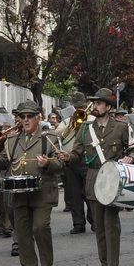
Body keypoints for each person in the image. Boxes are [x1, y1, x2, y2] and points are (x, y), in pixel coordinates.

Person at [0, 99, 62, 266]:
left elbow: (60, 163)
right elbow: (6, 160)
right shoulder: (11, 140)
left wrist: (48, 163)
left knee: (40, 227)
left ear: (38, 118)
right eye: (22, 117)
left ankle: (46, 265)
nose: (26, 120)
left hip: (42, 191)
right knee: (22, 230)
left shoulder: (48, 138)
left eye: (30, 117)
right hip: (19, 193)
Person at [66, 87, 132, 266]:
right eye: (94, 103)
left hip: (113, 178)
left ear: (108, 107)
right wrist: (66, 157)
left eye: (99, 103)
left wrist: (130, 158)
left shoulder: (121, 127)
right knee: (100, 228)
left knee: (112, 225)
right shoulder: (85, 128)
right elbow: (76, 154)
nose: (95, 106)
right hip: (94, 178)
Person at [57, 94, 92, 234]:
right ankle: (78, 224)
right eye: (77, 107)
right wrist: (71, 123)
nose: (79, 110)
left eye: (81, 107)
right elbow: (58, 134)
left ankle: (94, 221)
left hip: (87, 159)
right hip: (71, 159)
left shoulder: (92, 119)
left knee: (89, 193)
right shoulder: (67, 121)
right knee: (74, 193)